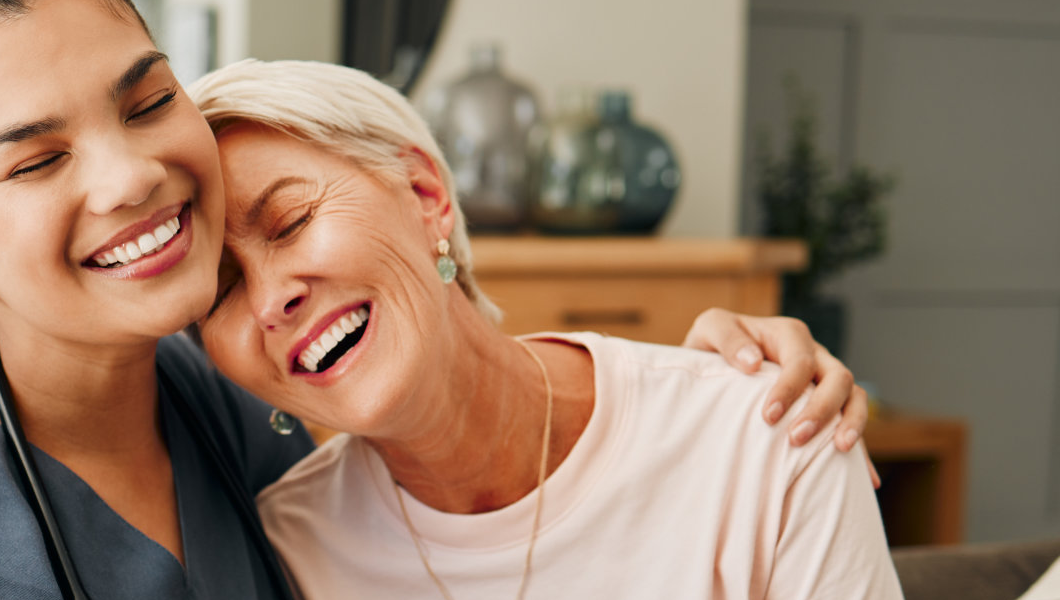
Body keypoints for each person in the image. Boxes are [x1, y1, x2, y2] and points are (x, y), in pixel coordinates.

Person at [0, 1, 866, 597]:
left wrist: (727, 380)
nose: (131, 173)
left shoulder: (247, 405)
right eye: (37, 160)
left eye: (145, 102)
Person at [192, 59, 902, 599]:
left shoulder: (772, 434)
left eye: (290, 222)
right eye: (219, 290)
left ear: (424, 196)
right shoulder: (285, 554)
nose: (268, 301)